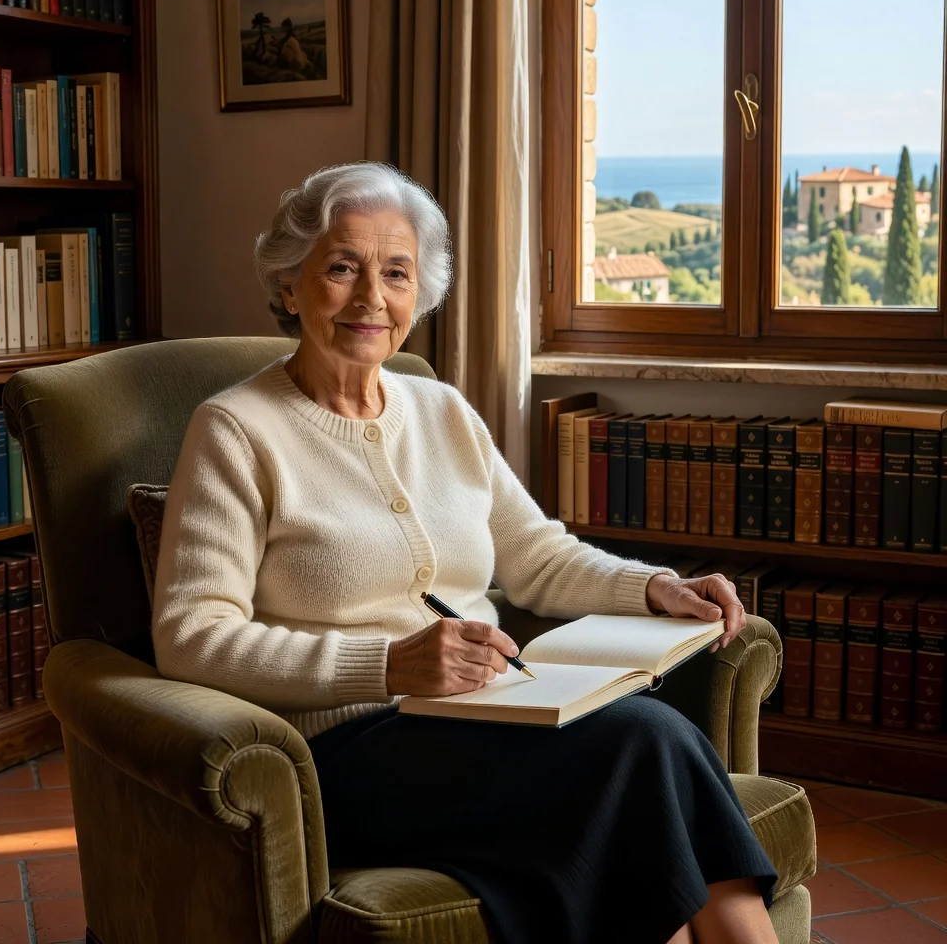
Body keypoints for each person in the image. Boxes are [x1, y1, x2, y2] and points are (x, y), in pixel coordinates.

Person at [151, 162, 779, 944]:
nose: (372, 297)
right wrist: (387, 666)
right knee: (644, 744)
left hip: (489, 720)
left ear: (419, 293)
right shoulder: (236, 429)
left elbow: (536, 556)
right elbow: (191, 635)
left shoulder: (442, 409)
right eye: (342, 268)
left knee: (646, 756)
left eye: (396, 272)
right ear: (289, 286)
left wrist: (652, 587)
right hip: (341, 757)